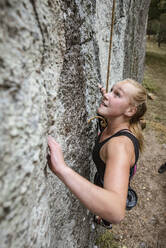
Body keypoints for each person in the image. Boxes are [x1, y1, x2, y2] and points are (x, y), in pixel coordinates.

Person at [47, 78, 147, 229]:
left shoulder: (118, 145)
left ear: (130, 111)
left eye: (117, 94)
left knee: (108, 202)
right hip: (106, 174)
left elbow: (115, 211)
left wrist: (62, 169)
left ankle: (103, 221)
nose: (107, 95)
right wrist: (110, 99)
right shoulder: (114, 123)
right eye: (111, 90)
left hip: (108, 178)